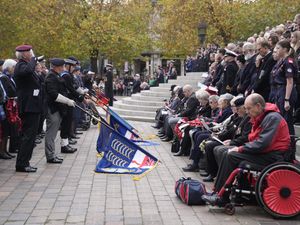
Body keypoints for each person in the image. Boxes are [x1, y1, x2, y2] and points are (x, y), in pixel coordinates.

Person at [201, 94, 290, 206]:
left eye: (248, 108)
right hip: (266, 153)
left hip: (273, 156)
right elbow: (255, 139)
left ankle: (222, 197)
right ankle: (218, 192)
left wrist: (241, 148)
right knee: (226, 152)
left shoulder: (272, 118)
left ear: (258, 106)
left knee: (231, 155)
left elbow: (262, 143)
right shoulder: (263, 116)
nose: (247, 112)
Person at [14, 45, 43, 172]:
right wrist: (33, 60)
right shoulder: (21, 65)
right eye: (29, 52)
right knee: (28, 136)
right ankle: (22, 163)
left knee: (30, 136)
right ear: (23, 54)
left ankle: (25, 161)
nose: (31, 54)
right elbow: (28, 71)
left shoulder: (27, 65)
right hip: (28, 106)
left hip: (33, 105)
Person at [45, 58, 77, 163]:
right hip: (53, 108)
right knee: (51, 133)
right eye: (62, 66)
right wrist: (67, 101)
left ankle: (52, 154)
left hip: (58, 108)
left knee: (53, 134)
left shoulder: (56, 75)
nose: (63, 68)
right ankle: (50, 156)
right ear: (57, 67)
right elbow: (53, 94)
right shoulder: (51, 76)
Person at [269, 40, 297, 145]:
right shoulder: (281, 62)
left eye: (278, 48)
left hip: (286, 91)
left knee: (287, 121)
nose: (275, 50)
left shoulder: (288, 61)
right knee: (281, 120)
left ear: (285, 49)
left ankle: (290, 148)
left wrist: (286, 100)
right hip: (279, 90)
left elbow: (289, 82)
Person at [0, 59, 20, 158]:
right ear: (8, 67)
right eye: (13, 67)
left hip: (9, 105)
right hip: (5, 106)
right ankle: (2, 151)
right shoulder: (4, 77)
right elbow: (10, 91)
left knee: (7, 129)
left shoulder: (9, 77)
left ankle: (5, 150)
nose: (14, 69)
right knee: (5, 129)